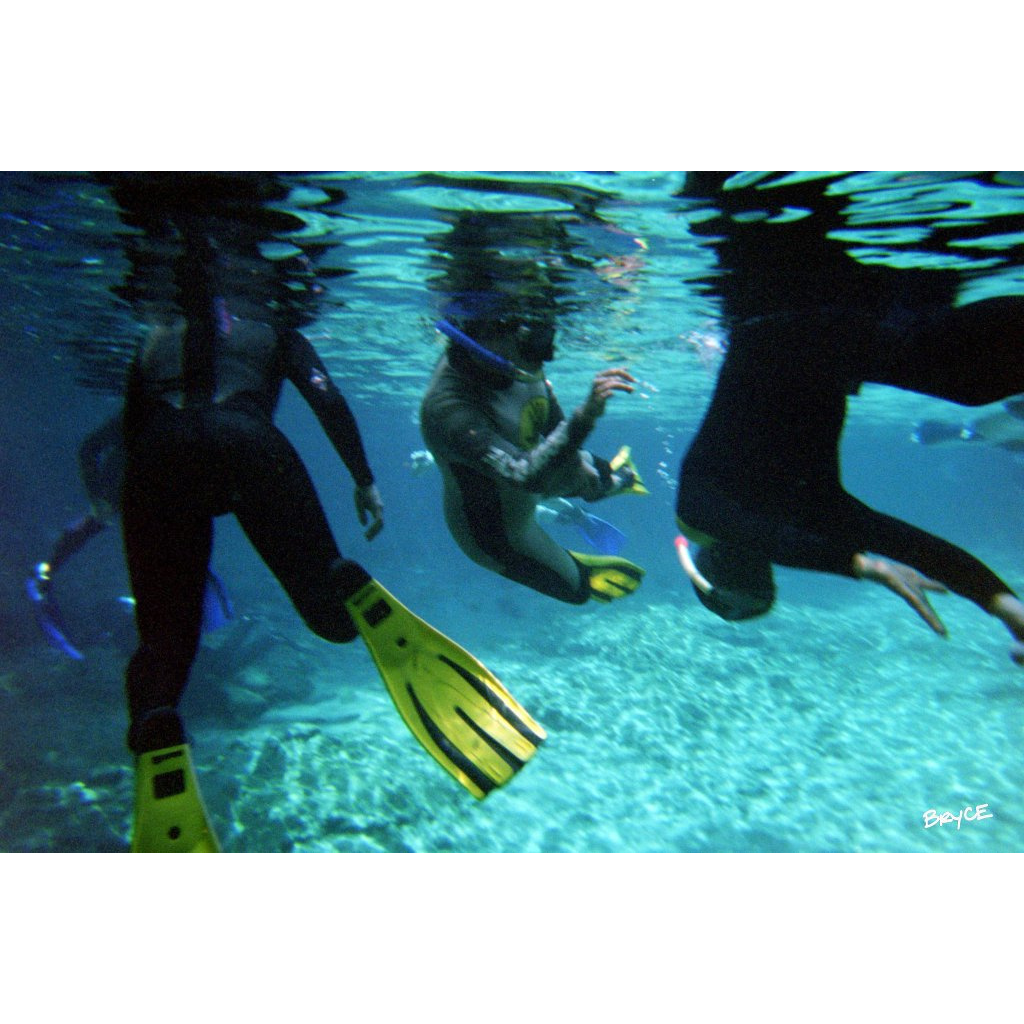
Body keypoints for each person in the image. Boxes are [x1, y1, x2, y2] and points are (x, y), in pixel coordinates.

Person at [115, 216, 544, 848]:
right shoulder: (275, 328)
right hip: (250, 445)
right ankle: (344, 583)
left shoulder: (154, 334)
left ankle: (156, 721)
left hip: (157, 460)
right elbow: (326, 397)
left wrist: (145, 516)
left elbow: (131, 428)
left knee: (164, 643)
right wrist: (363, 479)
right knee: (333, 620)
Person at [674, 171, 1024, 666]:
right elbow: (907, 544)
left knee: (963, 373)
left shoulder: (703, 510)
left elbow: (764, 537)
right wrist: (1004, 605)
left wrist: (862, 567)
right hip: (833, 326)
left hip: (791, 314)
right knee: (957, 349)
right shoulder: (807, 514)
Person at [420, 317, 646, 604]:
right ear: (486, 338)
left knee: (592, 471)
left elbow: (546, 410)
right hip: (499, 534)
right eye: (532, 347)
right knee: (576, 591)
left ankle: (619, 480)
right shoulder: (447, 409)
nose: (544, 359)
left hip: (535, 478)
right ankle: (577, 569)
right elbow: (523, 475)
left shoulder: (516, 350)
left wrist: (575, 462)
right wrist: (584, 417)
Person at [27, 413, 233, 660]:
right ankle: (45, 579)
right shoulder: (139, 419)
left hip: (147, 499)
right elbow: (90, 448)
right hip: (122, 494)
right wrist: (98, 496)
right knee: (92, 533)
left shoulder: (187, 424)